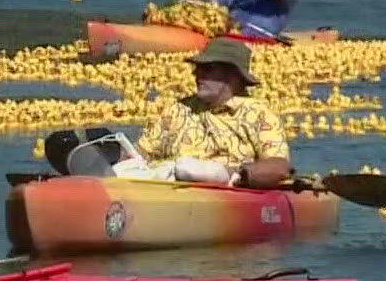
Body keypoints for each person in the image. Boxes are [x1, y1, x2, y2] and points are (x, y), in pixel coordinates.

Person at [114, 38, 292, 189]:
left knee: (190, 169)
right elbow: (139, 154)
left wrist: (238, 175)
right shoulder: (178, 110)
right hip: (166, 186)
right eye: (197, 68)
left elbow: (279, 166)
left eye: (208, 69)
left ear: (233, 75)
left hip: (222, 189)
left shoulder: (258, 113)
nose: (197, 74)